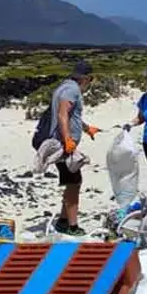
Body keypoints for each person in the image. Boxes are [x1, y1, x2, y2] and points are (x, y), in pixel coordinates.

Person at [50, 60, 101, 236]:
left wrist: (86, 128)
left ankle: (63, 221)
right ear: (86, 78)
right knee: (74, 183)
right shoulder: (72, 90)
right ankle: (72, 226)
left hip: (64, 143)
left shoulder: (64, 86)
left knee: (70, 182)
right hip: (64, 145)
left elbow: (71, 116)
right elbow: (63, 114)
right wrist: (68, 140)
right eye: (90, 79)